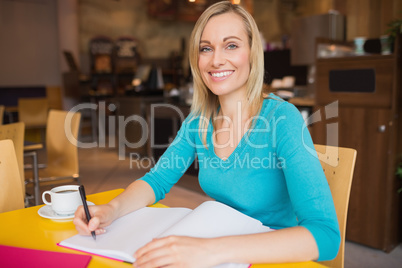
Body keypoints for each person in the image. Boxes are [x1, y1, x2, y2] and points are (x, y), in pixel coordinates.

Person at [73, 1, 340, 267]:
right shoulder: (199, 121)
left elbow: (325, 237)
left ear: (252, 53)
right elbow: (157, 181)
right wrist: (111, 210)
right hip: (222, 250)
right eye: (206, 48)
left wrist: (210, 250)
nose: (216, 60)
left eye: (231, 45)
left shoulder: (282, 119)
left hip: (270, 256)